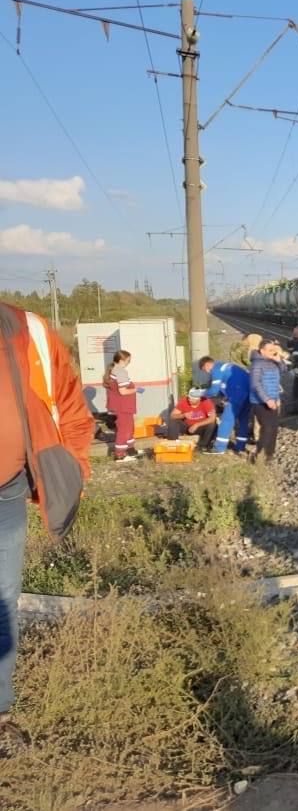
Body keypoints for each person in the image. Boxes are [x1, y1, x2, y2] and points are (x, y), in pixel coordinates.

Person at [0, 302, 93, 747]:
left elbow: (68, 401)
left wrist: (72, 467)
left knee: (2, 599)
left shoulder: (24, 327)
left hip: (8, 489)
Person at [198, 354, 251, 455]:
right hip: (248, 392)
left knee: (226, 420)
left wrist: (201, 393)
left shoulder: (216, 369)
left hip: (237, 393)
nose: (207, 372)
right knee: (243, 420)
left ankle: (219, 448)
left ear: (207, 364)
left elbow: (214, 391)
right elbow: (224, 386)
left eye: (205, 369)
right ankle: (241, 446)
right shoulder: (226, 366)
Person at [249, 338, 287, 463]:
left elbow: (284, 371)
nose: (273, 352)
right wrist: (266, 399)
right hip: (260, 402)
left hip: (274, 399)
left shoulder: (273, 361)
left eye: (274, 350)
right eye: (270, 350)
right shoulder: (257, 364)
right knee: (267, 427)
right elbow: (255, 384)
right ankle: (258, 453)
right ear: (262, 351)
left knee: (274, 427)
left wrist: (279, 361)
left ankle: (269, 454)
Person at [103, 350, 145, 461]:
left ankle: (131, 450)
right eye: (128, 361)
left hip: (120, 406)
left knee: (129, 428)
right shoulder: (120, 372)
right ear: (121, 360)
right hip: (123, 406)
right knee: (124, 430)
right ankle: (120, 455)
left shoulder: (114, 370)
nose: (129, 363)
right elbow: (123, 391)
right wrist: (136, 389)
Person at [168, 387, 218, 451]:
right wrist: (183, 415)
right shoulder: (183, 401)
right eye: (189, 398)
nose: (189, 400)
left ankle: (203, 445)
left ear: (199, 399)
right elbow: (172, 416)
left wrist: (197, 425)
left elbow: (212, 418)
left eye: (192, 399)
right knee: (173, 421)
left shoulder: (206, 402)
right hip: (186, 426)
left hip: (200, 427)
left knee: (212, 424)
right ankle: (172, 443)